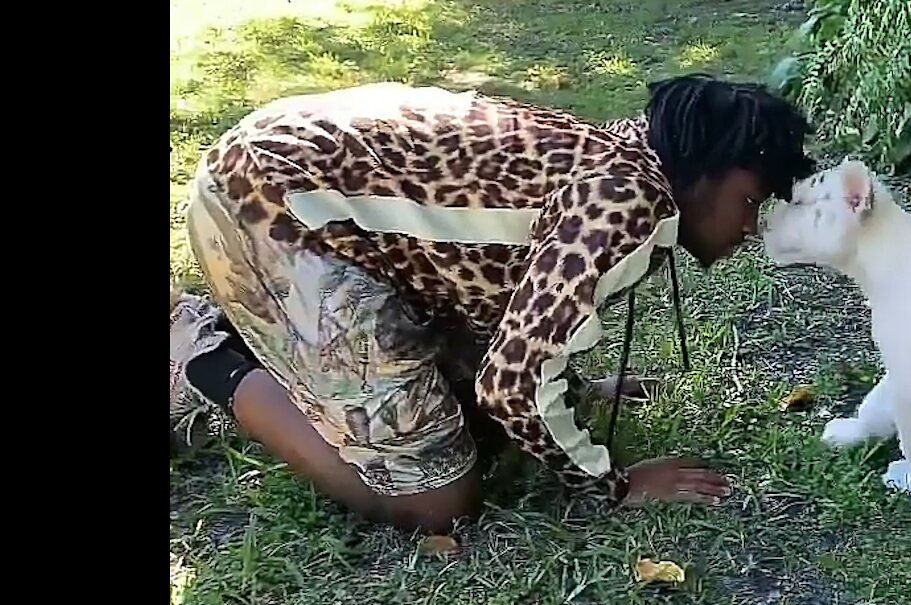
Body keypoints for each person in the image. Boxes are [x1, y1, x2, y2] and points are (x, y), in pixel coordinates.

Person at [169, 73, 816, 534]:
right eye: (752, 203)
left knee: (478, 432)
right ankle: (207, 354)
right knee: (435, 501)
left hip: (319, 200)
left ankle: (265, 340)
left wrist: (569, 385)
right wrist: (611, 483)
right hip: (268, 207)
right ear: (704, 176)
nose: (750, 230)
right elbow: (511, 383)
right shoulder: (625, 206)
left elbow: (521, 291)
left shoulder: (636, 160)